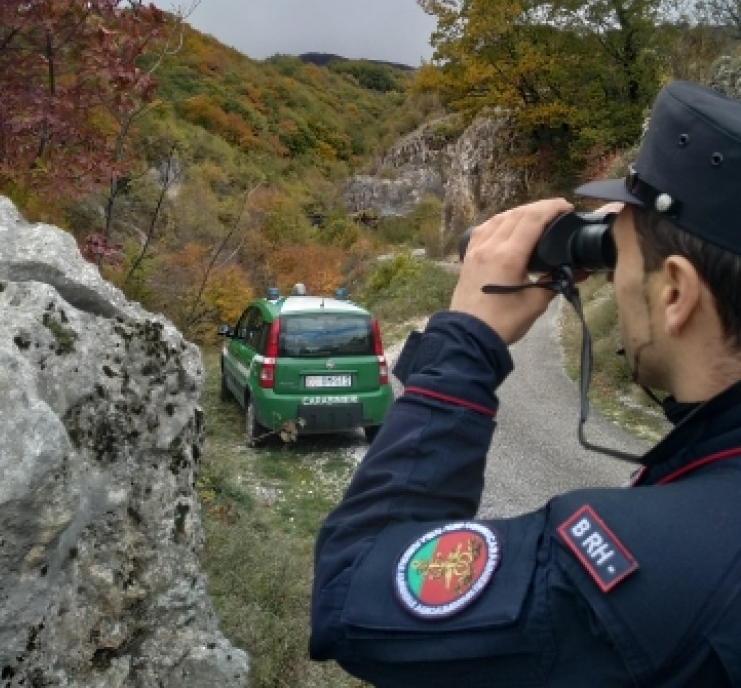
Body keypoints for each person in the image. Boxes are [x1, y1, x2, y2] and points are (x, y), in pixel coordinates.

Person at [309, 80, 741, 687]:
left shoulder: (660, 566)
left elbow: (353, 590)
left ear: (674, 293)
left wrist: (465, 342)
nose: (616, 284)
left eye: (622, 257)